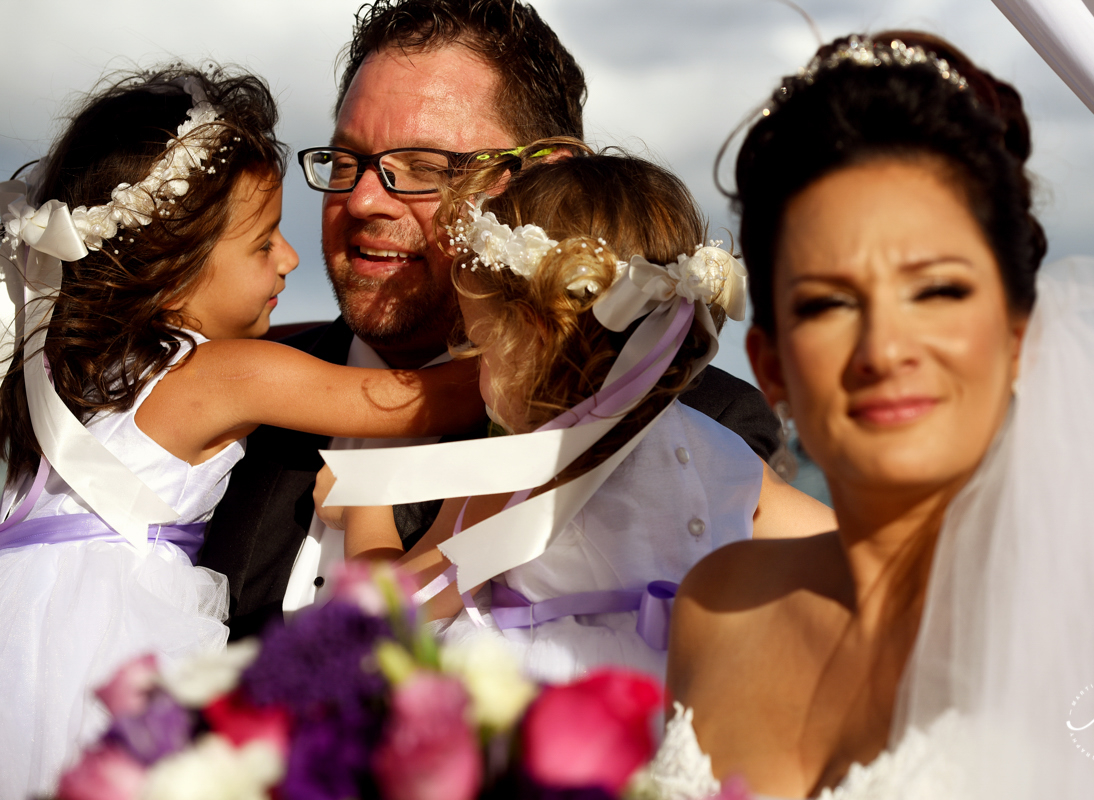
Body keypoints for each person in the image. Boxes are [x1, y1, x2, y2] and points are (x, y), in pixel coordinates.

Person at [649, 32, 1094, 799]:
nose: (884, 348)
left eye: (937, 290)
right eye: (829, 303)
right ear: (770, 365)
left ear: (1019, 336)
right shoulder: (718, 604)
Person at [199, 0, 782, 641]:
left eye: (424, 169)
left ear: (549, 183)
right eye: (346, 162)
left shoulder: (695, 428)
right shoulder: (233, 391)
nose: (362, 200)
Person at [0, 66, 481, 799]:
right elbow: (410, 400)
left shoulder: (53, 363)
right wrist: (533, 334)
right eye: (263, 245)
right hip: (108, 640)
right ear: (170, 272)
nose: (290, 259)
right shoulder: (218, 373)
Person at [317, 143, 836, 684]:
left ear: (531, 338)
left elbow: (387, 617)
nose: (476, 368)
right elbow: (846, 553)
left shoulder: (526, 469)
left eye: (480, 344)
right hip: (703, 694)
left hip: (565, 711)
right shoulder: (723, 452)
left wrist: (365, 509)